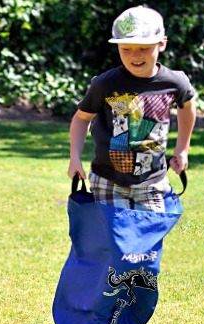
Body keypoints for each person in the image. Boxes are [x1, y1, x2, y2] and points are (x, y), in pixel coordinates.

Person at [68, 5, 196, 212]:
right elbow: (81, 119)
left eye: (143, 48)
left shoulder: (176, 82)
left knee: (148, 240)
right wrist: (75, 158)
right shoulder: (105, 84)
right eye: (126, 49)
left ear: (161, 44)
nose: (134, 56)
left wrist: (182, 149)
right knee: (116, 242)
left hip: (153, 182)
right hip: (108, 180)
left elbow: (188, 107)